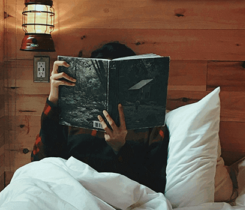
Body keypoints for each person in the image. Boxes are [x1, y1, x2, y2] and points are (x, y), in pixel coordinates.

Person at [31, 42, 169, 193]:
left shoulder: (151, 124)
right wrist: (54, 99)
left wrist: (121, 148)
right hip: (70, 192)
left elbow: (154, 185)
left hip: (118, 200)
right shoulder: (72, 116)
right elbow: (41, 162)